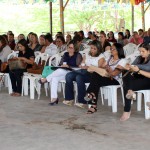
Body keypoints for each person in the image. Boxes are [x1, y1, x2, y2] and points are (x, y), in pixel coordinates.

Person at [84, 43, 125, 114]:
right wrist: (105, 68)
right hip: (106, 77)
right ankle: (93, 104)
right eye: (111, 49)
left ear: (118, 50)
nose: (111, 50)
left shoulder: (122, 61)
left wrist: (108, 69)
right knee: (95, 78)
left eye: (113, 49)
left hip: (114, 80)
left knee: (95, 78)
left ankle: (89, 94)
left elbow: (115, 73)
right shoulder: (109, 58)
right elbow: (101, 67)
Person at [39, 40, 82, 105]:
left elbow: (78, 66)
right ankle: (54, 98)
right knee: (54, 78)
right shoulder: (65, 54)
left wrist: (68, 66)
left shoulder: (78, 55)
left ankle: (46, 79)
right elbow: (60, 63)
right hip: (63, 72)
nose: (70, 49)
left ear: (75, 48)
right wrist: (62, 65)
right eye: (69, 47)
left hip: (72, 73)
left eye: (72, 48)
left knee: (60, 71)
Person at [63, 40, 103, 108]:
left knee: (79, 77)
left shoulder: (101, 57)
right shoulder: (87, 54)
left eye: (94, 49)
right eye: (91, 48)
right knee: (68, 75)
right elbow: (82, 62)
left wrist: (87, 67)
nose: (92, 50)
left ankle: (82, 102)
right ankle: (69, 99)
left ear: (98, 49)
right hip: (83, 71)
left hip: (93, 74)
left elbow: (99, 69)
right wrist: (81, 65)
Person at [120, 42, 150, 121]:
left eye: (143, 51)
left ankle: (127, 110)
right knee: (127, 76)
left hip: (147, 81)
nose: (141, 53)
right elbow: (132, 66)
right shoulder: (139, 58)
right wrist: (128, 67)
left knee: (126, 85)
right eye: (140, 51)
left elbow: (148, 71)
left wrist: (138, 69)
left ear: (149, 51)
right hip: (138, 79)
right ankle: (130, 91)